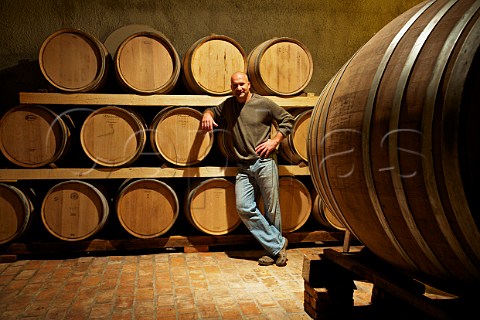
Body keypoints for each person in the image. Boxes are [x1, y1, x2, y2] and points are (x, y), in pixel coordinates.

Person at [201, 71, 294, 266]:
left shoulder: (264, 104)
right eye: (235, 85)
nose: (239, 88)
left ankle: (273, 252)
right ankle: (277, 245)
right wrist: (207, 115)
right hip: (243, 166)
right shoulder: (229, 105)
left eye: (242, 84)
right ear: (231, 87)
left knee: (271, 209)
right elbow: (212, 110)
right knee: (243, 207)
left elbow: (288, 121)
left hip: (265, 161)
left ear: (249, 85)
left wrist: (274, 141)